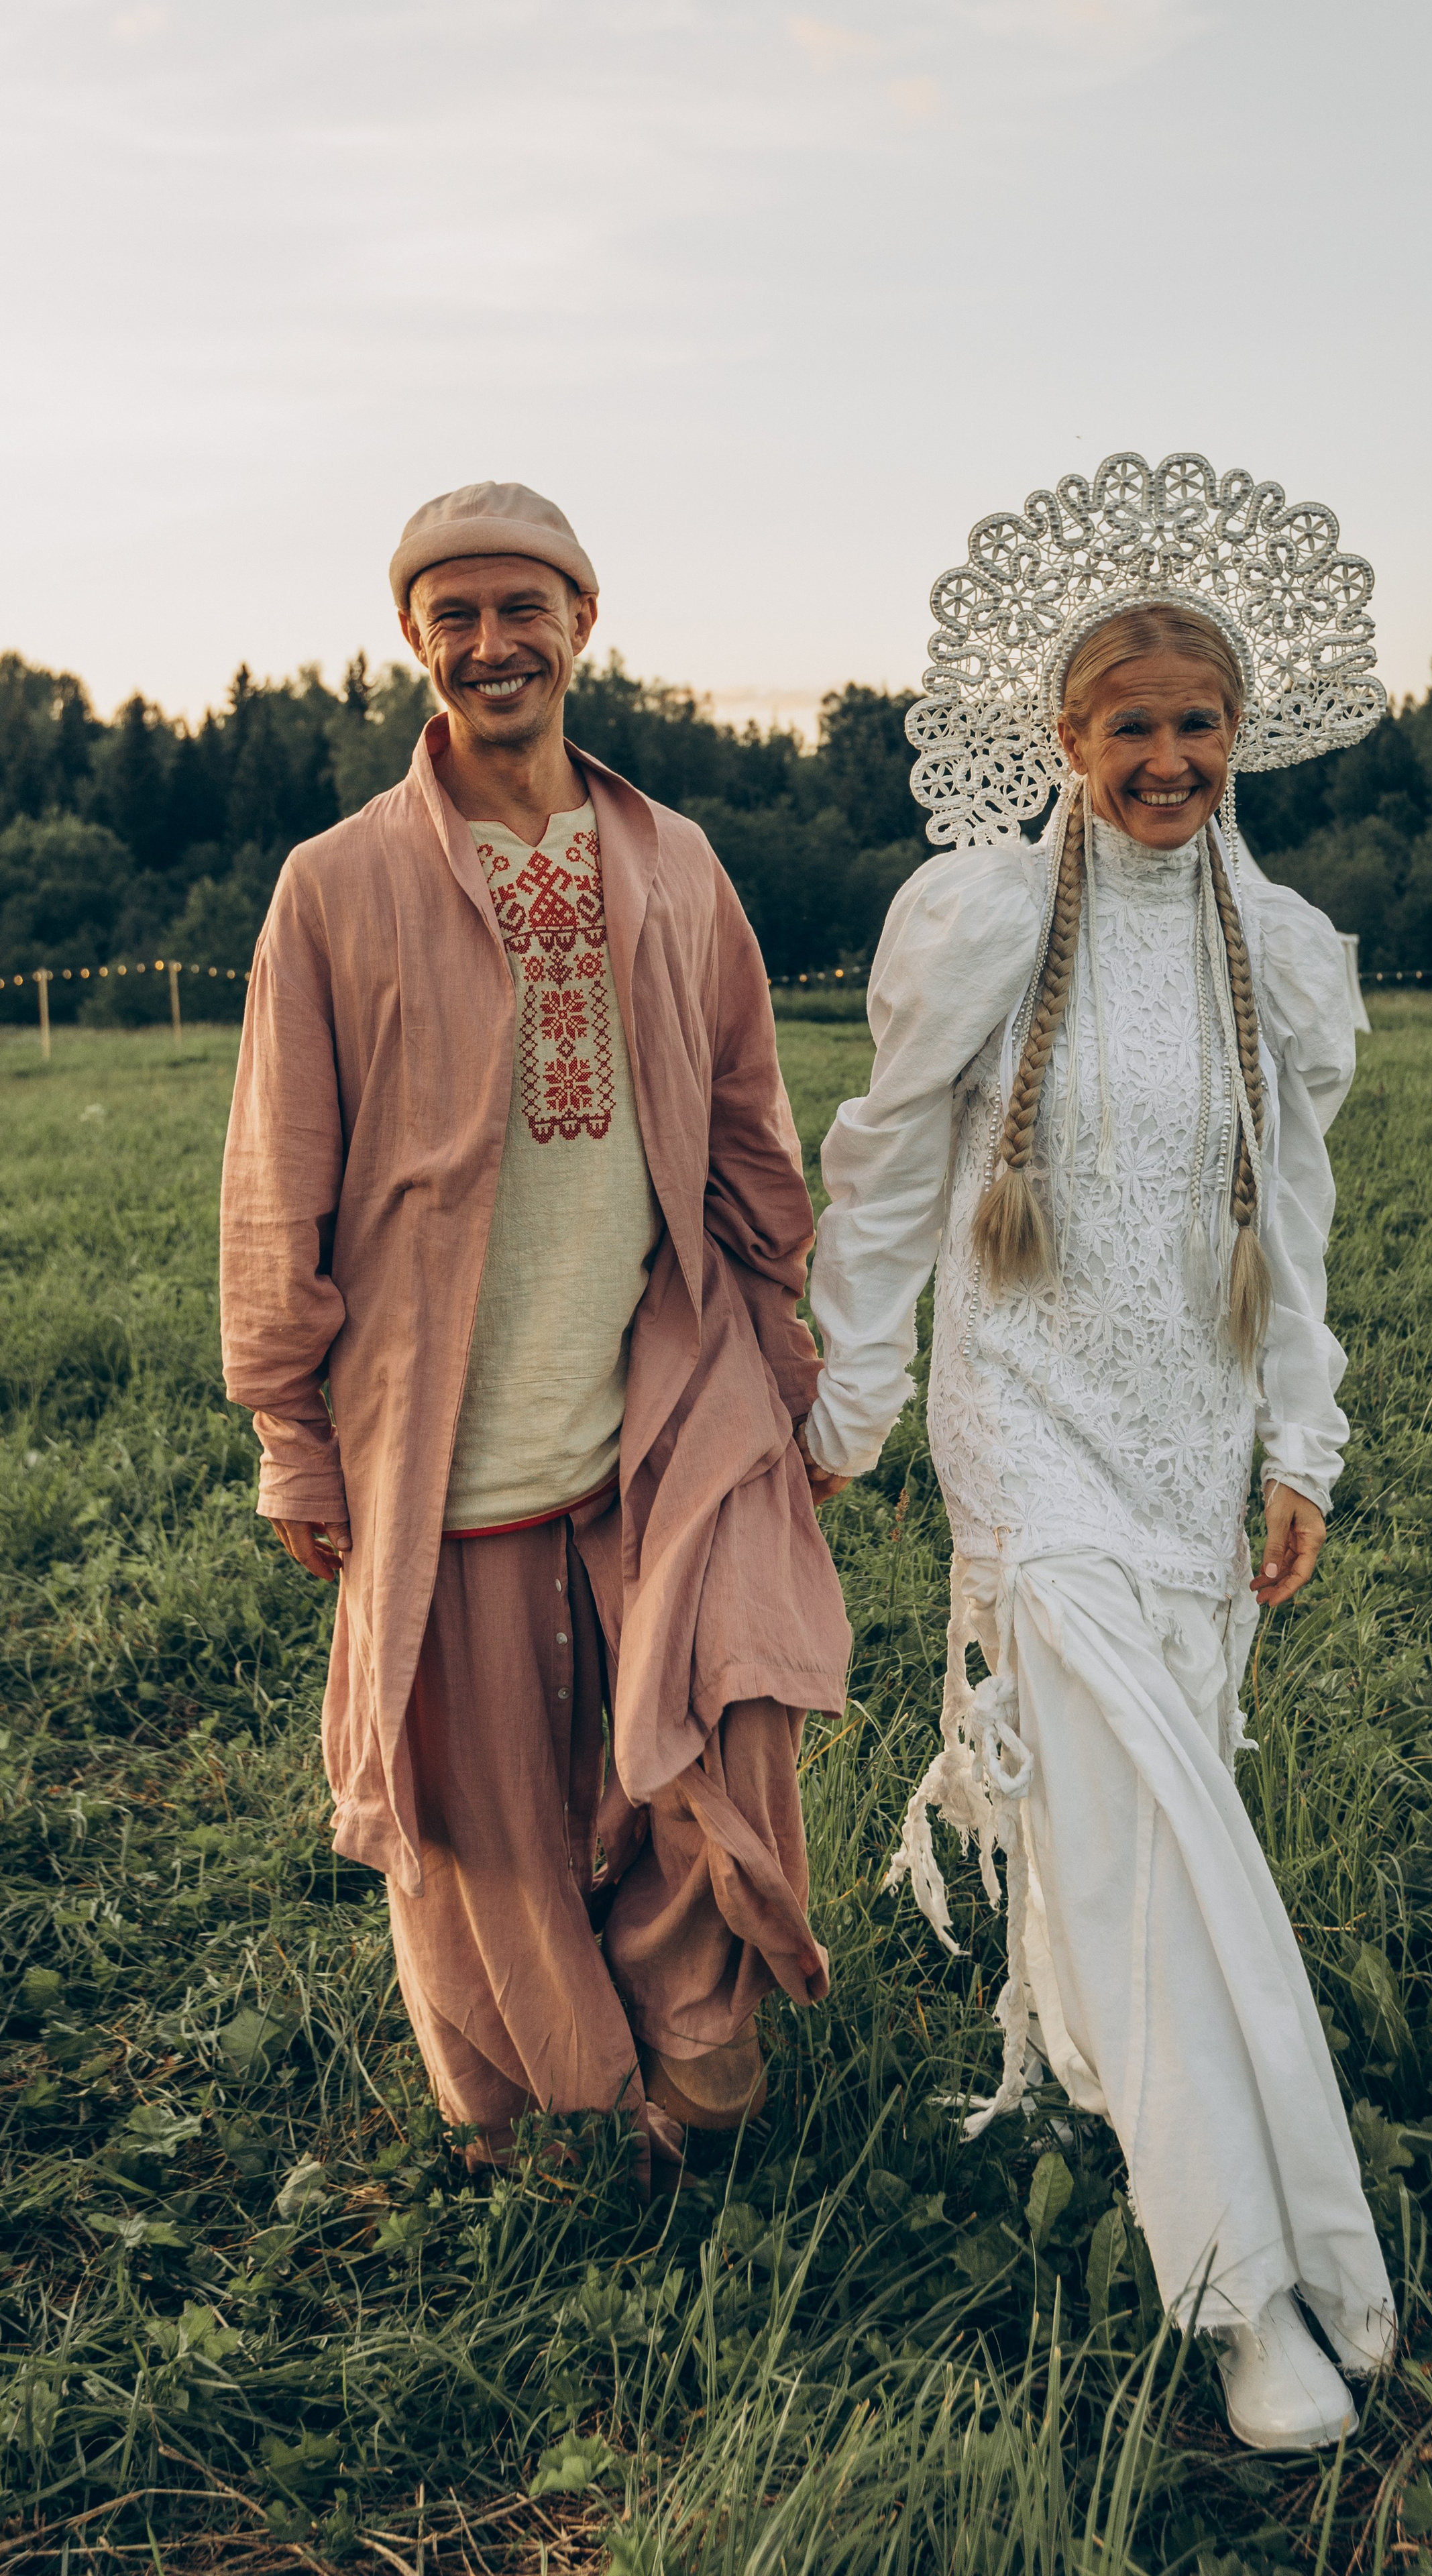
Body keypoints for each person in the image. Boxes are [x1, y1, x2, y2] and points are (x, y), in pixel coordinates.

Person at [800, 452, 1396, 2449]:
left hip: (1191, 1434)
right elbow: (884, 1175)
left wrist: (1298, 1443)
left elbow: (1292, 1221)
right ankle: (1249, 2284)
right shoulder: (982, 921)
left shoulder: (1279, 951)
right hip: (1029, 1429)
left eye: (1197, 725)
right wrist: (855, 1395)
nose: (1168, 758)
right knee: (1154, 1817)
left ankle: (1089, 2047)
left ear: (1240, 738)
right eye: (1131, 727)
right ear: (1066, 738)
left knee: (1154, 1795)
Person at [220, 480, 850, 2174]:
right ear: (415, 643)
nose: (493, 644)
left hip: (659, 1413)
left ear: (582, 624)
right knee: (482, 1817)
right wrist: (291, 1433)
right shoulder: (334, 884)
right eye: (457, 616)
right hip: (445, 1440)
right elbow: (278, 1176)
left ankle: (692, 2052)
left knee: (704, 1742)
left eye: (524, 608)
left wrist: (787, 1364)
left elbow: (743, 1123)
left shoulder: (673, 863)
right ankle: (533, 2109)